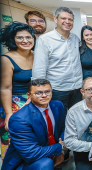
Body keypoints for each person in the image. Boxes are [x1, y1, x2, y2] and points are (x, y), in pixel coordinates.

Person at [2, 79, 67, 170]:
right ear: (29, 95)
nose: (44, 95)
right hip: (24, 164)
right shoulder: (19, 119)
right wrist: (60, 147)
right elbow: (31, 154)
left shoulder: (58, 105)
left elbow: (64, 128)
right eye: (38, 93)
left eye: (47, 91)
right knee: (46, 163)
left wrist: (61, 152)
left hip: (50, 154)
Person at [32, 7, 82, 116]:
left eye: (70, 19)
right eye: (63, 18)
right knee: (59, 120)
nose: (67, 22)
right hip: (57, 90)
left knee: (77, 118)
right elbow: (39, 69)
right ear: (55, 19)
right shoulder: (45, 40)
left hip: (77, 88)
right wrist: (40, 92)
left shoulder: (75, 38)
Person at [0, 22, 35, 159]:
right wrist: (9, 113)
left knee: (32, 140)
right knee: (14, 141)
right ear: (12, 39)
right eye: (20, 37)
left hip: (34, 101)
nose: (25, 41)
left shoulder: (36, 55)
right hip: (15, 104)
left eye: (28, 37)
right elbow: (5, 88)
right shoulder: (6, 59)